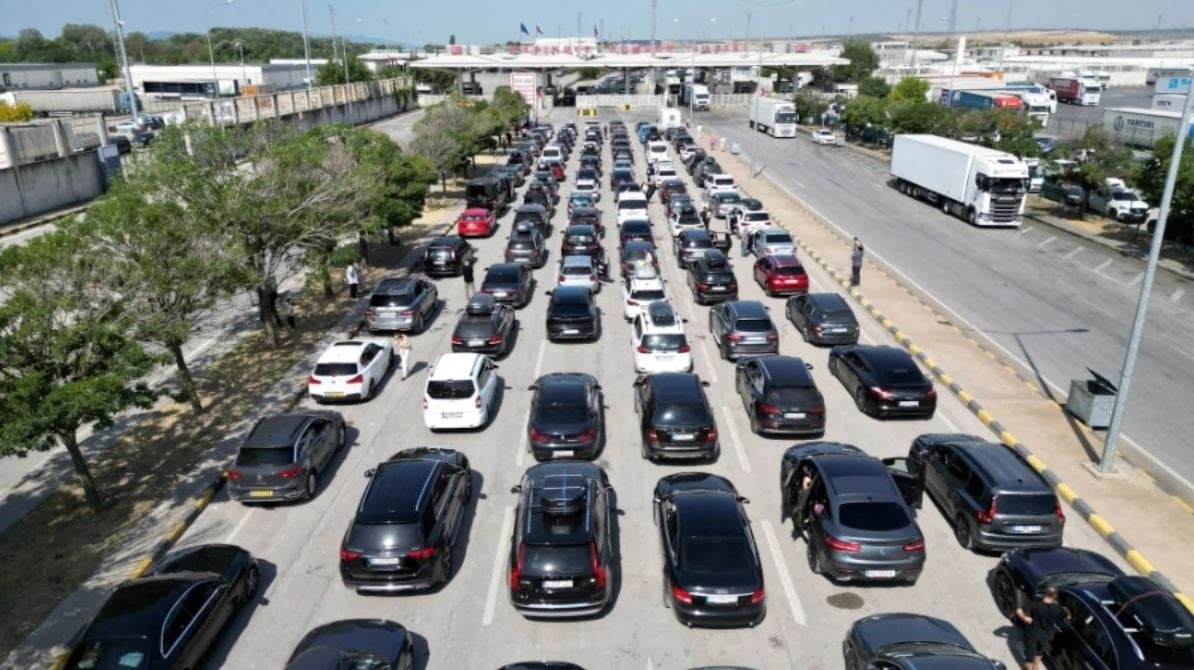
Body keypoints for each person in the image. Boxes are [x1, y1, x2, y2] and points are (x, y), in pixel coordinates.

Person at [1016, 586, 1069, 670]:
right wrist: (1066, 610)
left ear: (1045, 593)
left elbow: (1019, 611)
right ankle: (1036, 667)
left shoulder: (1035, 603)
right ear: (1055, 596)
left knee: (1030, 656)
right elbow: (1068, 616)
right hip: (1046, 635)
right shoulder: (1058, 608)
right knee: (1039, 652)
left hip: (1033, 633)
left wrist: (1025, 618)